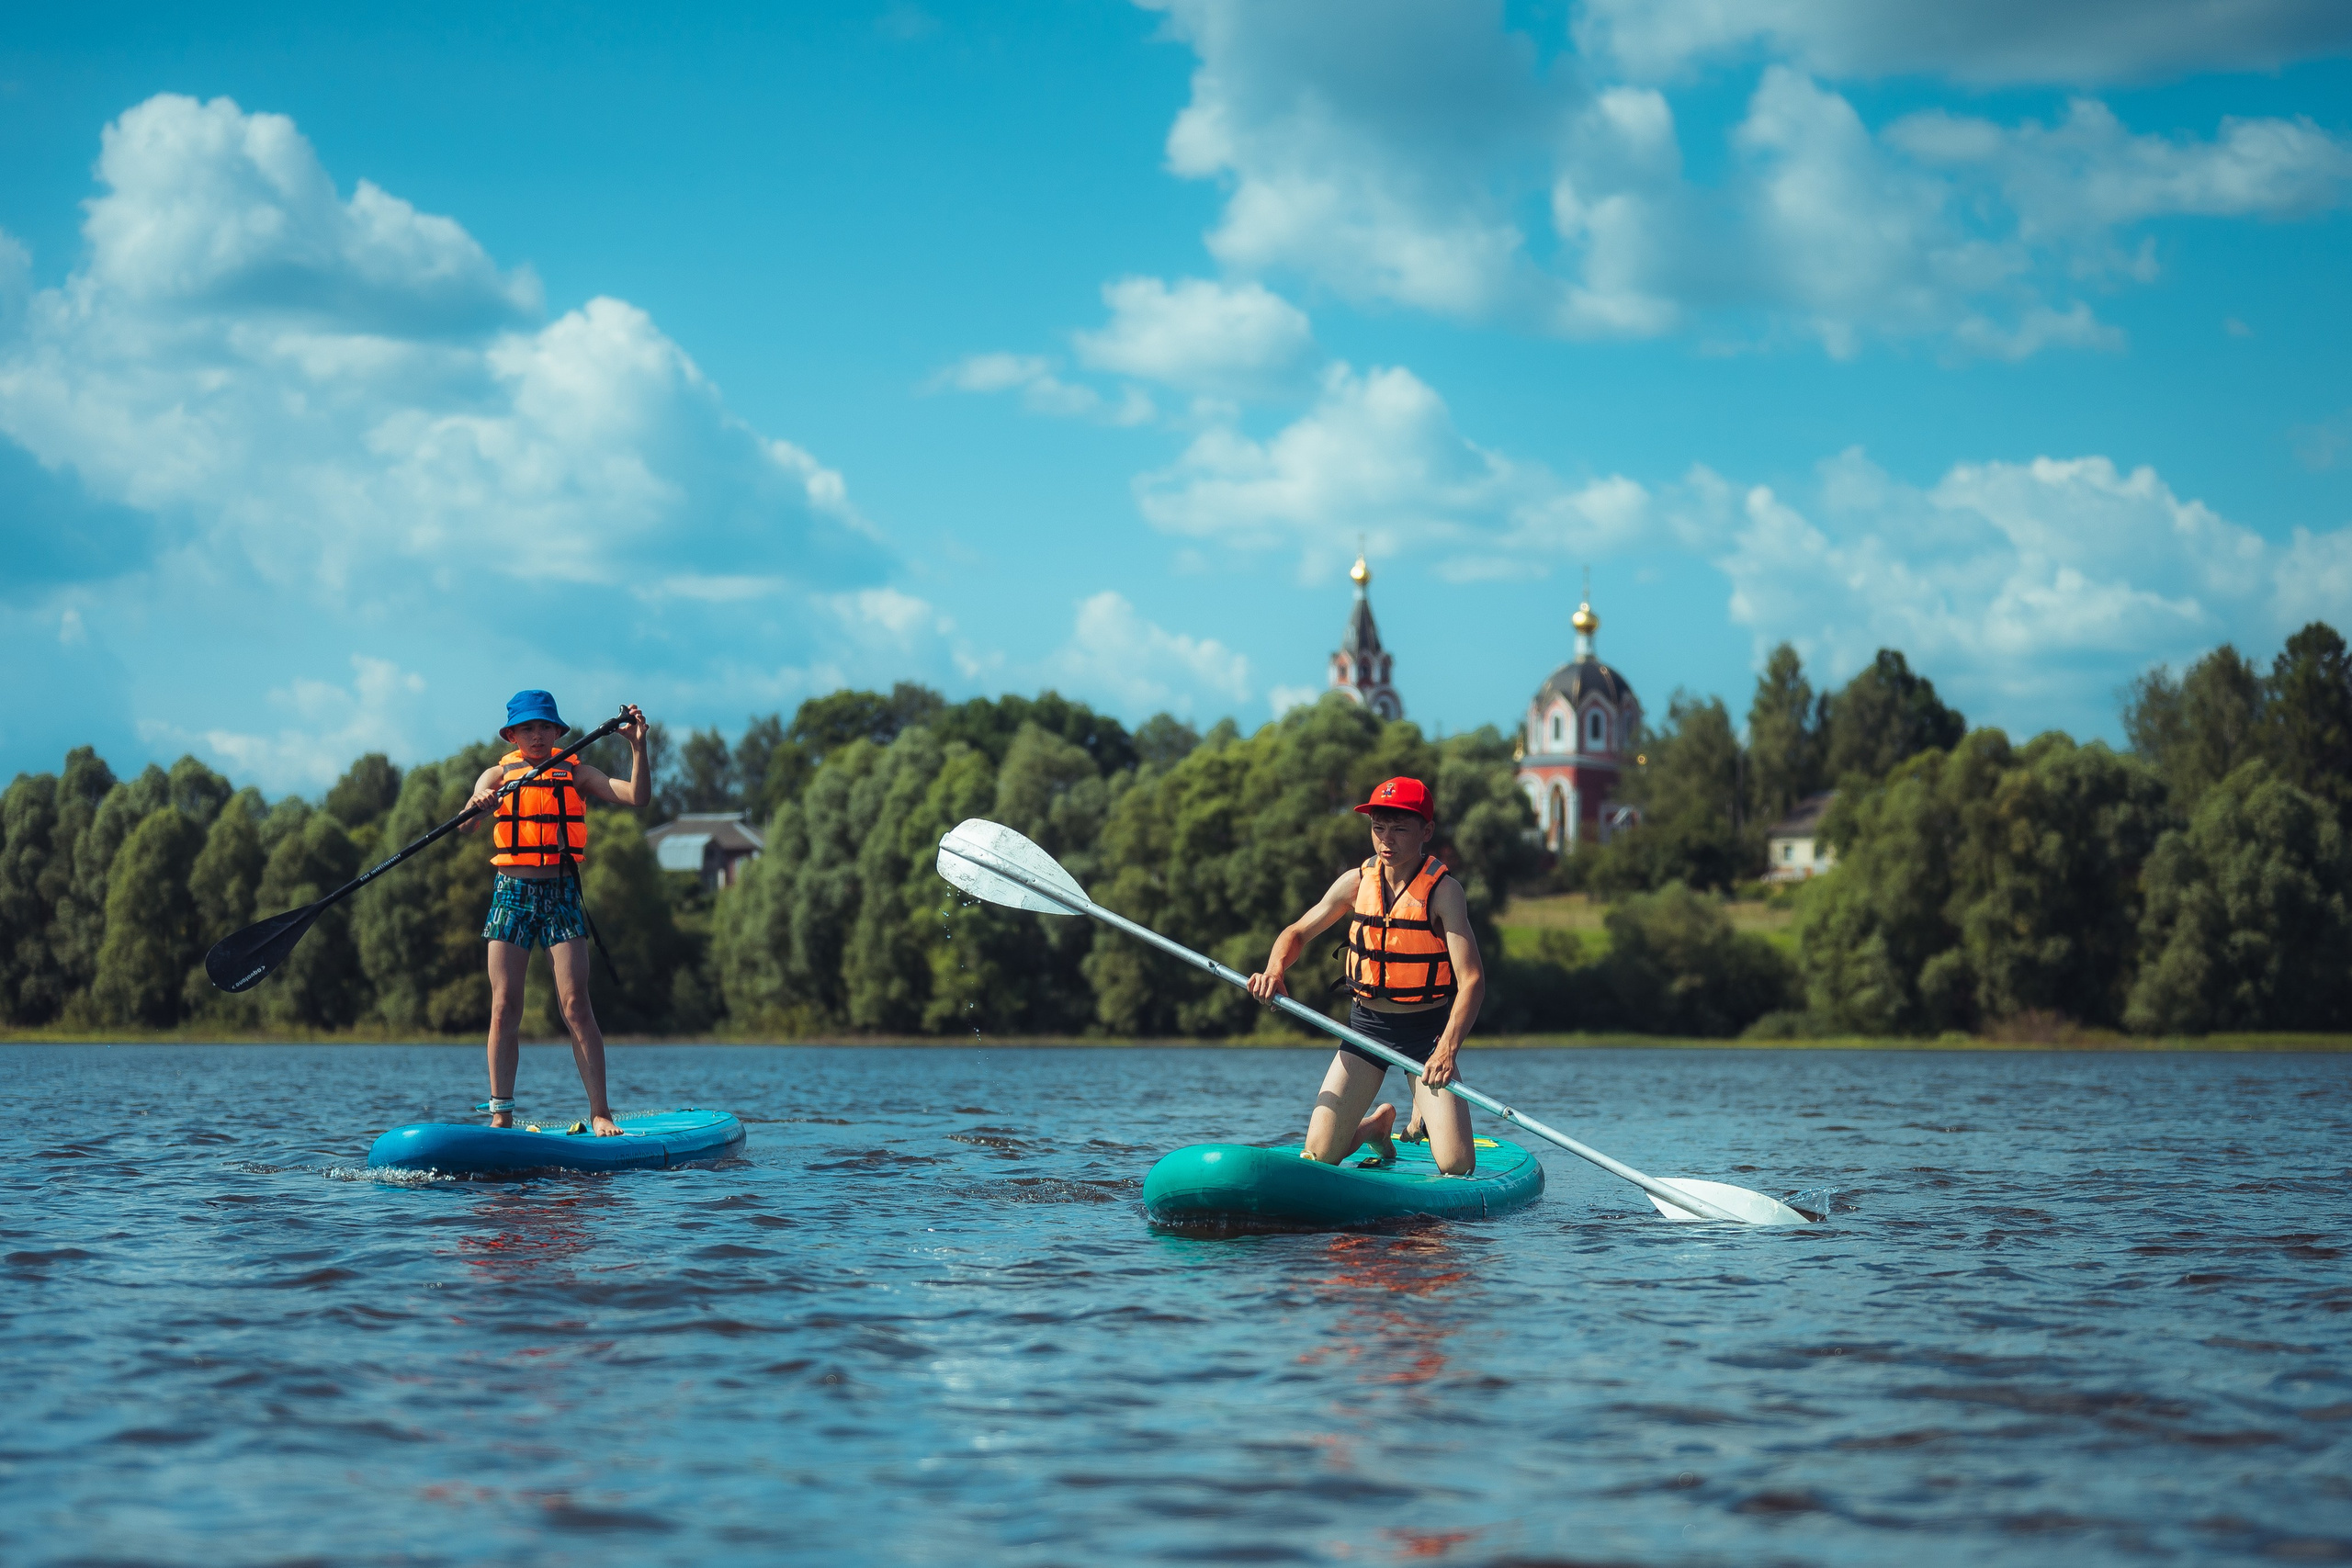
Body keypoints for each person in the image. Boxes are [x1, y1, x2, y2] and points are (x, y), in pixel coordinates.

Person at [1245, 776, 1487, 1176]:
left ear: (1426, 831)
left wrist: (1447, 1049)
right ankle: (1376, 1125)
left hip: (1425, 1036)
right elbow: (1297, 933)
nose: (1385, 840)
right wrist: (1274, 969)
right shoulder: (1357, 882)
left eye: (1399, 829)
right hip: (1366, 1029)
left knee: (1456, 1165)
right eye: (1378, 828)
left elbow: (1472, 980)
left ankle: (1415, 1113)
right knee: (1321, 1157)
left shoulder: (1445, 892)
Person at [458, 690, 650, 1135]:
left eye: (545, 727)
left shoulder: (576, 771)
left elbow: (636, 797)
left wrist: (638, 746)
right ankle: (501, 1114)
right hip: (511, 893)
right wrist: (479, 806)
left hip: (561, 894)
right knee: (504, 1007)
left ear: (558, 731)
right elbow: (465, 826)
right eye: (528, 728)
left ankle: (600, 1113)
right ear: (512, 735)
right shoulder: (494, 774)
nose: (538, 735)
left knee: (575, 1005)